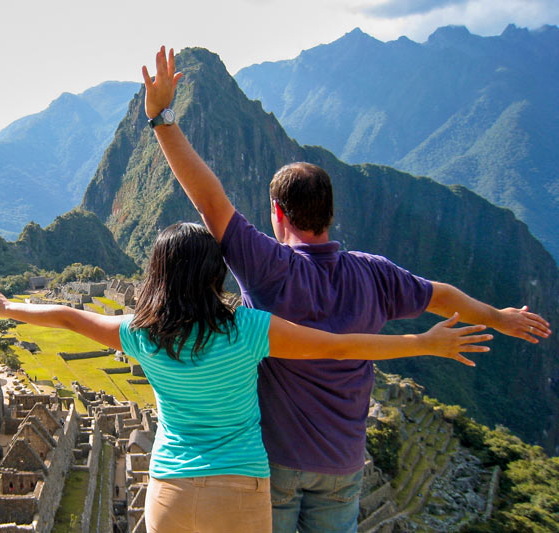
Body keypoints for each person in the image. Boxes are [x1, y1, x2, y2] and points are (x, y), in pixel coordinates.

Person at [141, 46, 552, 532]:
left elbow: (208, 199)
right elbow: (442, 295)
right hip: (342, 464)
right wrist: (499, 318)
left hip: (275, 460)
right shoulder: (374, 273)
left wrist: (162, 118)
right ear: (330, 213)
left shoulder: (269, 268)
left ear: (278, 214)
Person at [0, 222, 492, 533]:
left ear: (157, 276)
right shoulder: (248, 328)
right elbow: (339, 345)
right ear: (216, 272)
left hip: (170, 489)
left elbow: (67, 316)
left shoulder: (142, 334)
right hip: (241, 486)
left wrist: (4, 307)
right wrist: (422, 343)